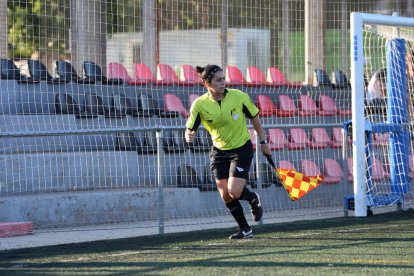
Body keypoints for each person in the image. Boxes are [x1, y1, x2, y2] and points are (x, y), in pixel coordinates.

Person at [185, 64, 271, 239]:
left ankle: (253, 198)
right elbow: (189, 128)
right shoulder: (199, 104)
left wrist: (263, 141)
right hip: (219, 152)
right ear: (207, 83)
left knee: (234, 190)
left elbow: (255, 117)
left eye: (224, 79)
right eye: (218, 80)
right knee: (225, 194)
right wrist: (189, 135)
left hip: (241, 148)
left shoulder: (239, 97)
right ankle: (245, 229)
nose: (223, 82)